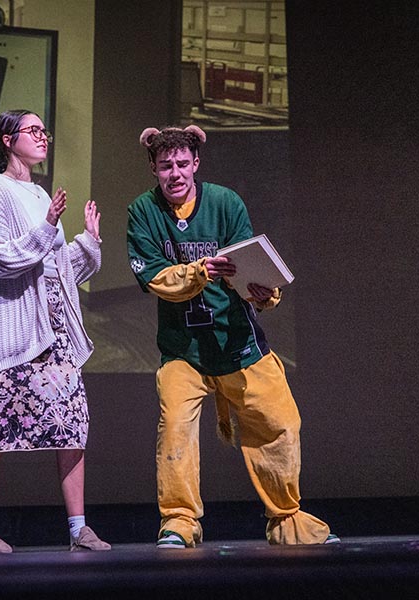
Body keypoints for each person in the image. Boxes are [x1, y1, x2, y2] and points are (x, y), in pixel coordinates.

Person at [126, 124, 337, 548]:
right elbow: (155, 278)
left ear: (196, 163)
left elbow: (249, 261)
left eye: (182, 164)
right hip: (183, 349)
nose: (175, 173)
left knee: (280, 424)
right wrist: (200, 270)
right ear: (153, 168)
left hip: (238, 342)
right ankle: (180, 522)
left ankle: (287, 519)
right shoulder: (142, 212)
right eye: (165, 166)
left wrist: (264, 291)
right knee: (175, 431)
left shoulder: (225, 202)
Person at [0, 109, 110, 554]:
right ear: (7, 140)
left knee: (71, 428)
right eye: (33, 131)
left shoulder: (40, 193)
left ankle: (78, 528)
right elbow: (0, 258)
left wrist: (87, 241)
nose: (43, 137)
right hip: (14, 333)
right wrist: (47, 227)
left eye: (45, 131)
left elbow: (58, 269)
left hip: (55, 332)